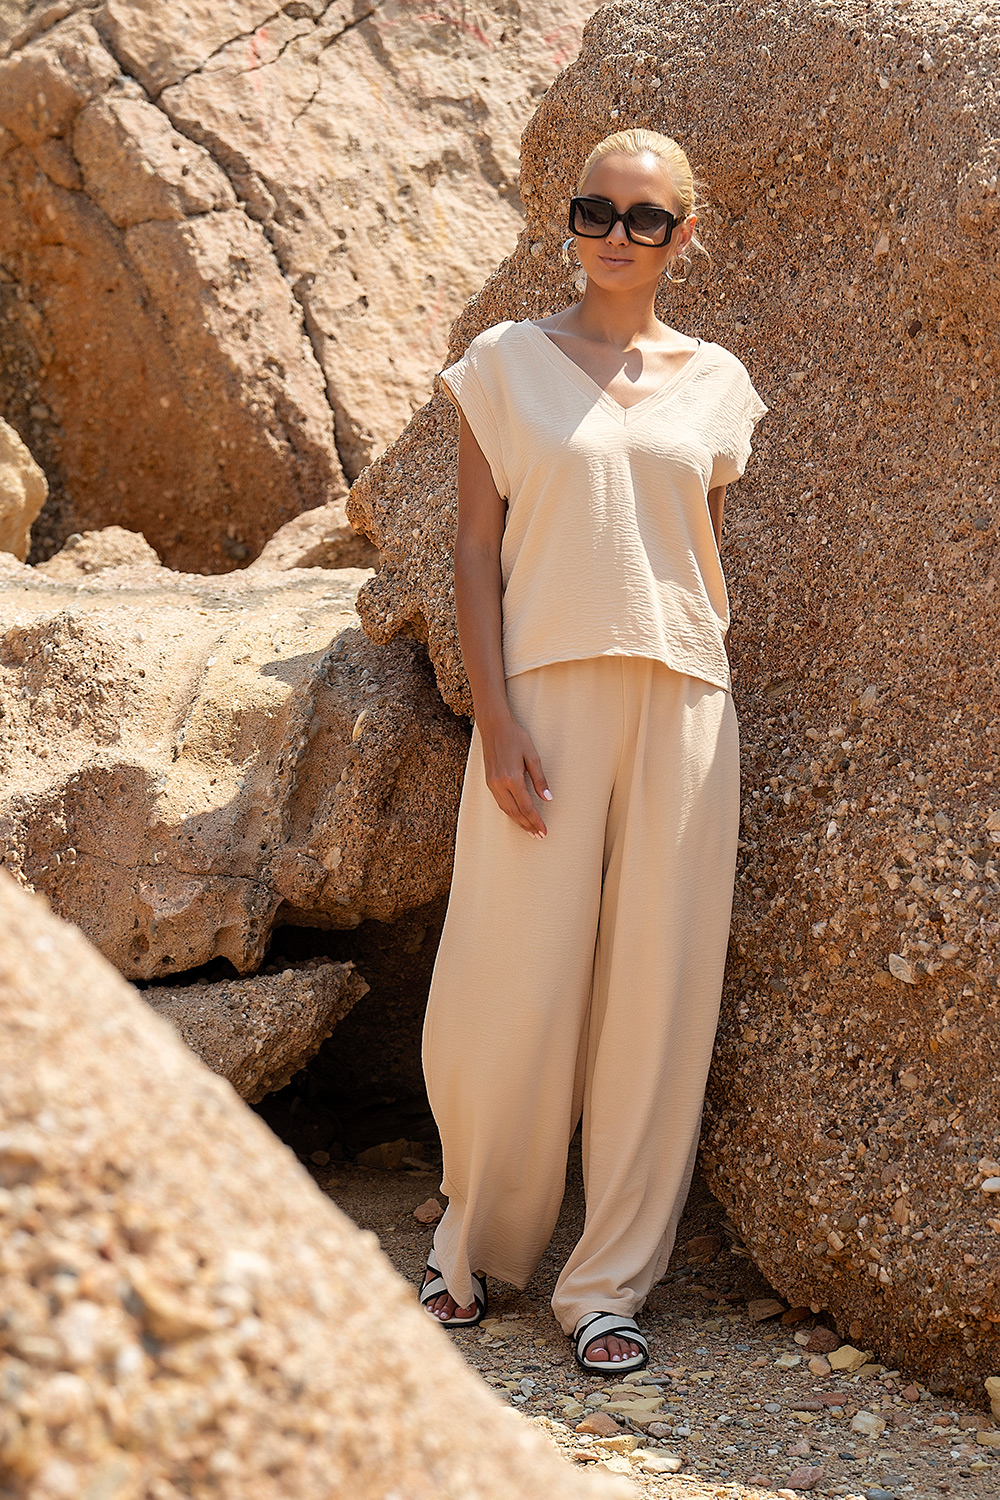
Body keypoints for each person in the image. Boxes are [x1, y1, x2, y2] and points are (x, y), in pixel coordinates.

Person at [418, 129, 767, 1373]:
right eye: (595, 211)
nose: (616, 236)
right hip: (544, 700)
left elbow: (694, 553)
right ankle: (469, 1249)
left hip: (683, 701)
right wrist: (495, 717)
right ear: (568, 221)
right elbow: (474, 551)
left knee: (656, 996)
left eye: (645, 217)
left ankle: (608, 1285)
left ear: (683, 235)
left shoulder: (716, 381)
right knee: (508, 978)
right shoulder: (503, 364)